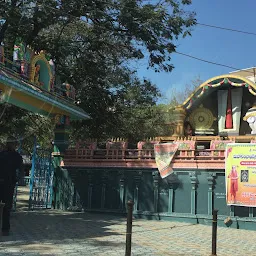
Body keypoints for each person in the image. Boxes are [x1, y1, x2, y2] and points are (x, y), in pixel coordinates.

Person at [0, 136, 23, 236]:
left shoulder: (5, 155)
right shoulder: (15, 156)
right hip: (7, 184)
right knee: (6, 207)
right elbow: (20, 170)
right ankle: (5, 229)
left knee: (7, 207)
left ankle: (5, 229)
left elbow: (19, 170)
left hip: (8, 184)